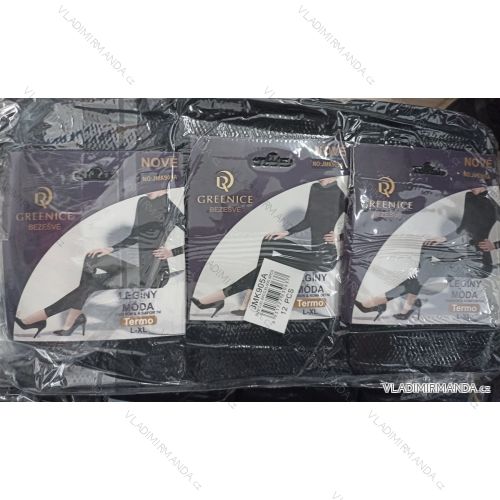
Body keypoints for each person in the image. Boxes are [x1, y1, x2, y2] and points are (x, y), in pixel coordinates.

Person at [15, 190, 185, 337]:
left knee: (88, 286)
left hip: (153, 274)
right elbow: (135, 235)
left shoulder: (170, 207)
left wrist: (172, 252)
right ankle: (72, 318)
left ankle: (49, 318)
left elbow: (197, 236)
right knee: (93, 257)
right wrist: (111, 248)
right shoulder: (143, 201)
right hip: (137, 268)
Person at [191, 177, 345, 317]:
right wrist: (287, 232)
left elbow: (356, 227)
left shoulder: (339, 194)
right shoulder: (315, 188)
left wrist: (339, 237)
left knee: (266, 265)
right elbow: (308, 220)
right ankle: (247, 300)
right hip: (311, 252)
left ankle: (223, 298)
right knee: (269, 240)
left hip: (324, 258)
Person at [355, 185, 500, 321]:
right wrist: (443, 238)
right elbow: (464, 228)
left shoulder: (491, 204)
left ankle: (384, 303)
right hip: (462, 253)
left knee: (422, 273)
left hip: (477, 263)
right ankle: (402, 305)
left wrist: (495, 245)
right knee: (426, 249)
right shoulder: (470, 196)